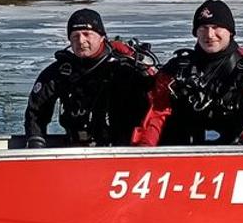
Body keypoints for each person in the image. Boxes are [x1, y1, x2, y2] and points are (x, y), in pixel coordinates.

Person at [132, 0, 243, 146]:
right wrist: (144, 151)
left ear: (230, 32)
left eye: (216, 27)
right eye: (203, 28)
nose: (210, 34)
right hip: (184, 154)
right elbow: (155, 115)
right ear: (196, 33)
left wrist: (240, 152)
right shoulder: (176, 70)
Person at [23, 9, 155, 147]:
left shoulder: (124, 69)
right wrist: (35, 140)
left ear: (102, 36)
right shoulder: (62, 71)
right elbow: (36, 111)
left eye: (87, 34)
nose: (81, 41)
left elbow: (154, 110)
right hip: (76, 147)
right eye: (75, 36)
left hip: (120, 149)